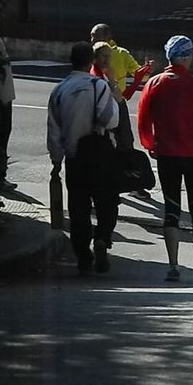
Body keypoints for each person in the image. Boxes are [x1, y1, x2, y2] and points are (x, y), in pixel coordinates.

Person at [137, 35, 193, 282]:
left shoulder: (154, 83)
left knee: (171, 208)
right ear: (187, 56)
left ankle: (173, 265)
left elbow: (142, 119)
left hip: (166, 155)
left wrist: (150, 144)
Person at [47, 41, 119, 274]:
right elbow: (111, 120)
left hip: (74, 157)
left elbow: (54, 131)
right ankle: (102, 238)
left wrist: (57, 162)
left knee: (78, 208)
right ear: (91, 61)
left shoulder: (59, 90)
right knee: (107, 201)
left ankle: (82, 255)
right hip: (100, 154)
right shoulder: (99, 86)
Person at [90, 23, 152, 199]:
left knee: (125, 140)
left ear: (108, 37)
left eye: (96, 36)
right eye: (92, 36)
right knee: (104, 144)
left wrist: (145, 71)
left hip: (118, 103)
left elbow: (139, 74)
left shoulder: (121, 54)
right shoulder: (91, 58)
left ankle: (133, 184)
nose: (92, 40)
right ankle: (107, 185)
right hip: (101, 103)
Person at [0, 36, 17, 192]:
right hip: (0, 99)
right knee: (0, 138)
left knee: (4, 134)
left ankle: (1, 176)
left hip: (5, 96)